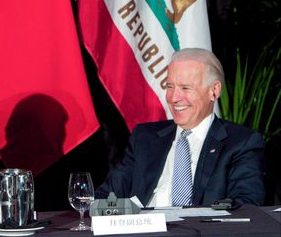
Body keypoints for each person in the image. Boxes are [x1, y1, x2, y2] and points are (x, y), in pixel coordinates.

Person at [95, 48, 265, 207]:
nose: (174, 98)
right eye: (170, 86)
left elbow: (246, 205)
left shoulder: (241, 143)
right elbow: (106, 197)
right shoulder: (144, 138)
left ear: (214, 91)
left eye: (185, 88)